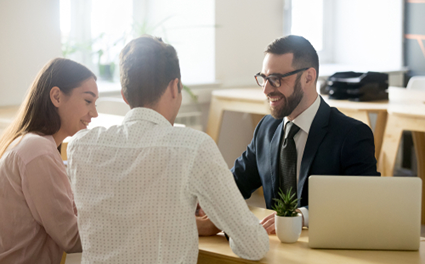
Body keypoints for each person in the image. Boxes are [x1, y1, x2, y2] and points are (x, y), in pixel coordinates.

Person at [66, 35, 269, 264]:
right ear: (175, 87)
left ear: (124, 96)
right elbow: (254, 245)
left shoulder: (79, 146)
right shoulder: (194, 147)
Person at [198, 35, 380, 235]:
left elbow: (364, 202)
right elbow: (235, 182)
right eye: (264, 78)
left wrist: (301, 217)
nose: (266, 89)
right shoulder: (266, 129)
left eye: (276, 79)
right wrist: (202, 202)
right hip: (274, 249)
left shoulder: (351, 135)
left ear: (308, 77)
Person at [0, 58, 99, 263]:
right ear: (56, 96)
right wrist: (128, 220)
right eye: (88, 101)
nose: (94, 113)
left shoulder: (28, 143)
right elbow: (71, 237)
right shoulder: (37, 150)